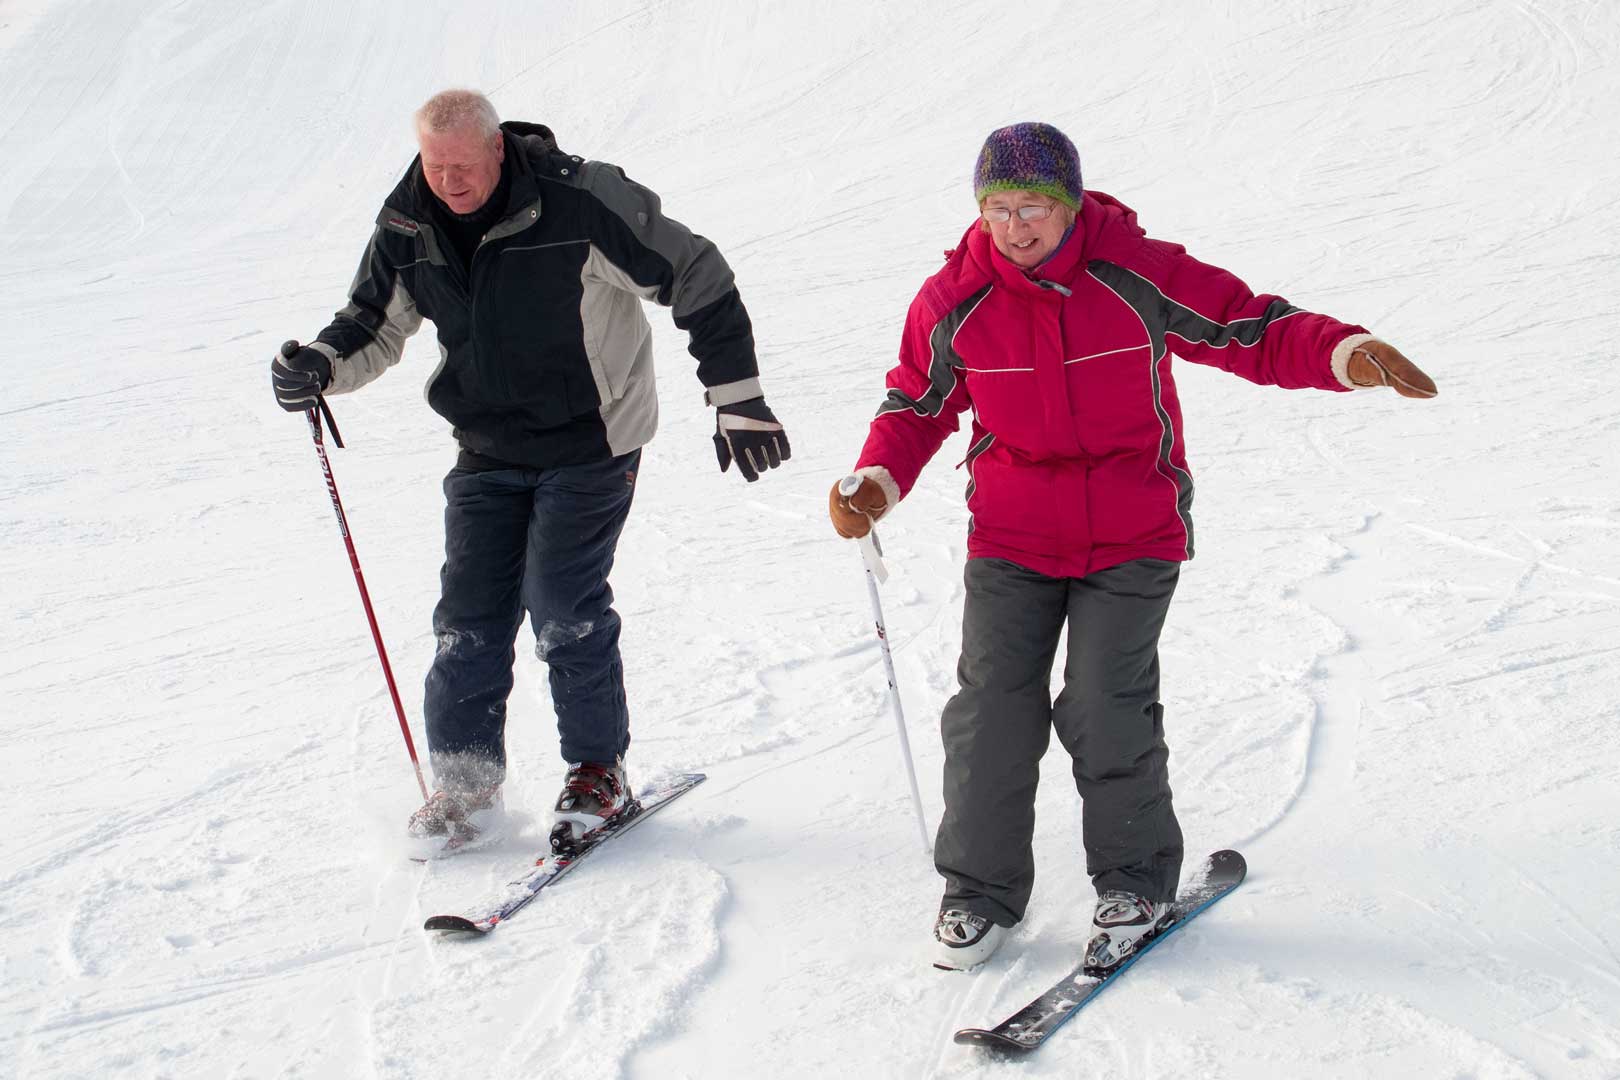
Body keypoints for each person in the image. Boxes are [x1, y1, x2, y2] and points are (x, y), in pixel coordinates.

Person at [828, 122, 1435, 972]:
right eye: (997, 208)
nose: (1016, 225)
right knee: (989, 712)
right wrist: (875, 481)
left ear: (1069, 204)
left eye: (1033, 205)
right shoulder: (954, 297)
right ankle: (978, 891)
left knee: (1103, 707)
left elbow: (1246, 325)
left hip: (1132, 527)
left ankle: (1136, 884)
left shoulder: (1134, 270)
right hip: (1011, 534)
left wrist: (1344, 351)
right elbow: (916, 404)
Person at [272, 89, 789, 852]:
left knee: (561, 605)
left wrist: (737, 396)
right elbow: (372, 322)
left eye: (462, 166)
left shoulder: (579, 201)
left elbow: (696, 273)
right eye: (433, 163)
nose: (447, 181)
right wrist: (319, 363)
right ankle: (467, 789)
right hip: (487, 445)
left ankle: (596, 773)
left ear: (498, 151)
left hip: (591, 440)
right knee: (469, 622)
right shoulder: (408, 221)